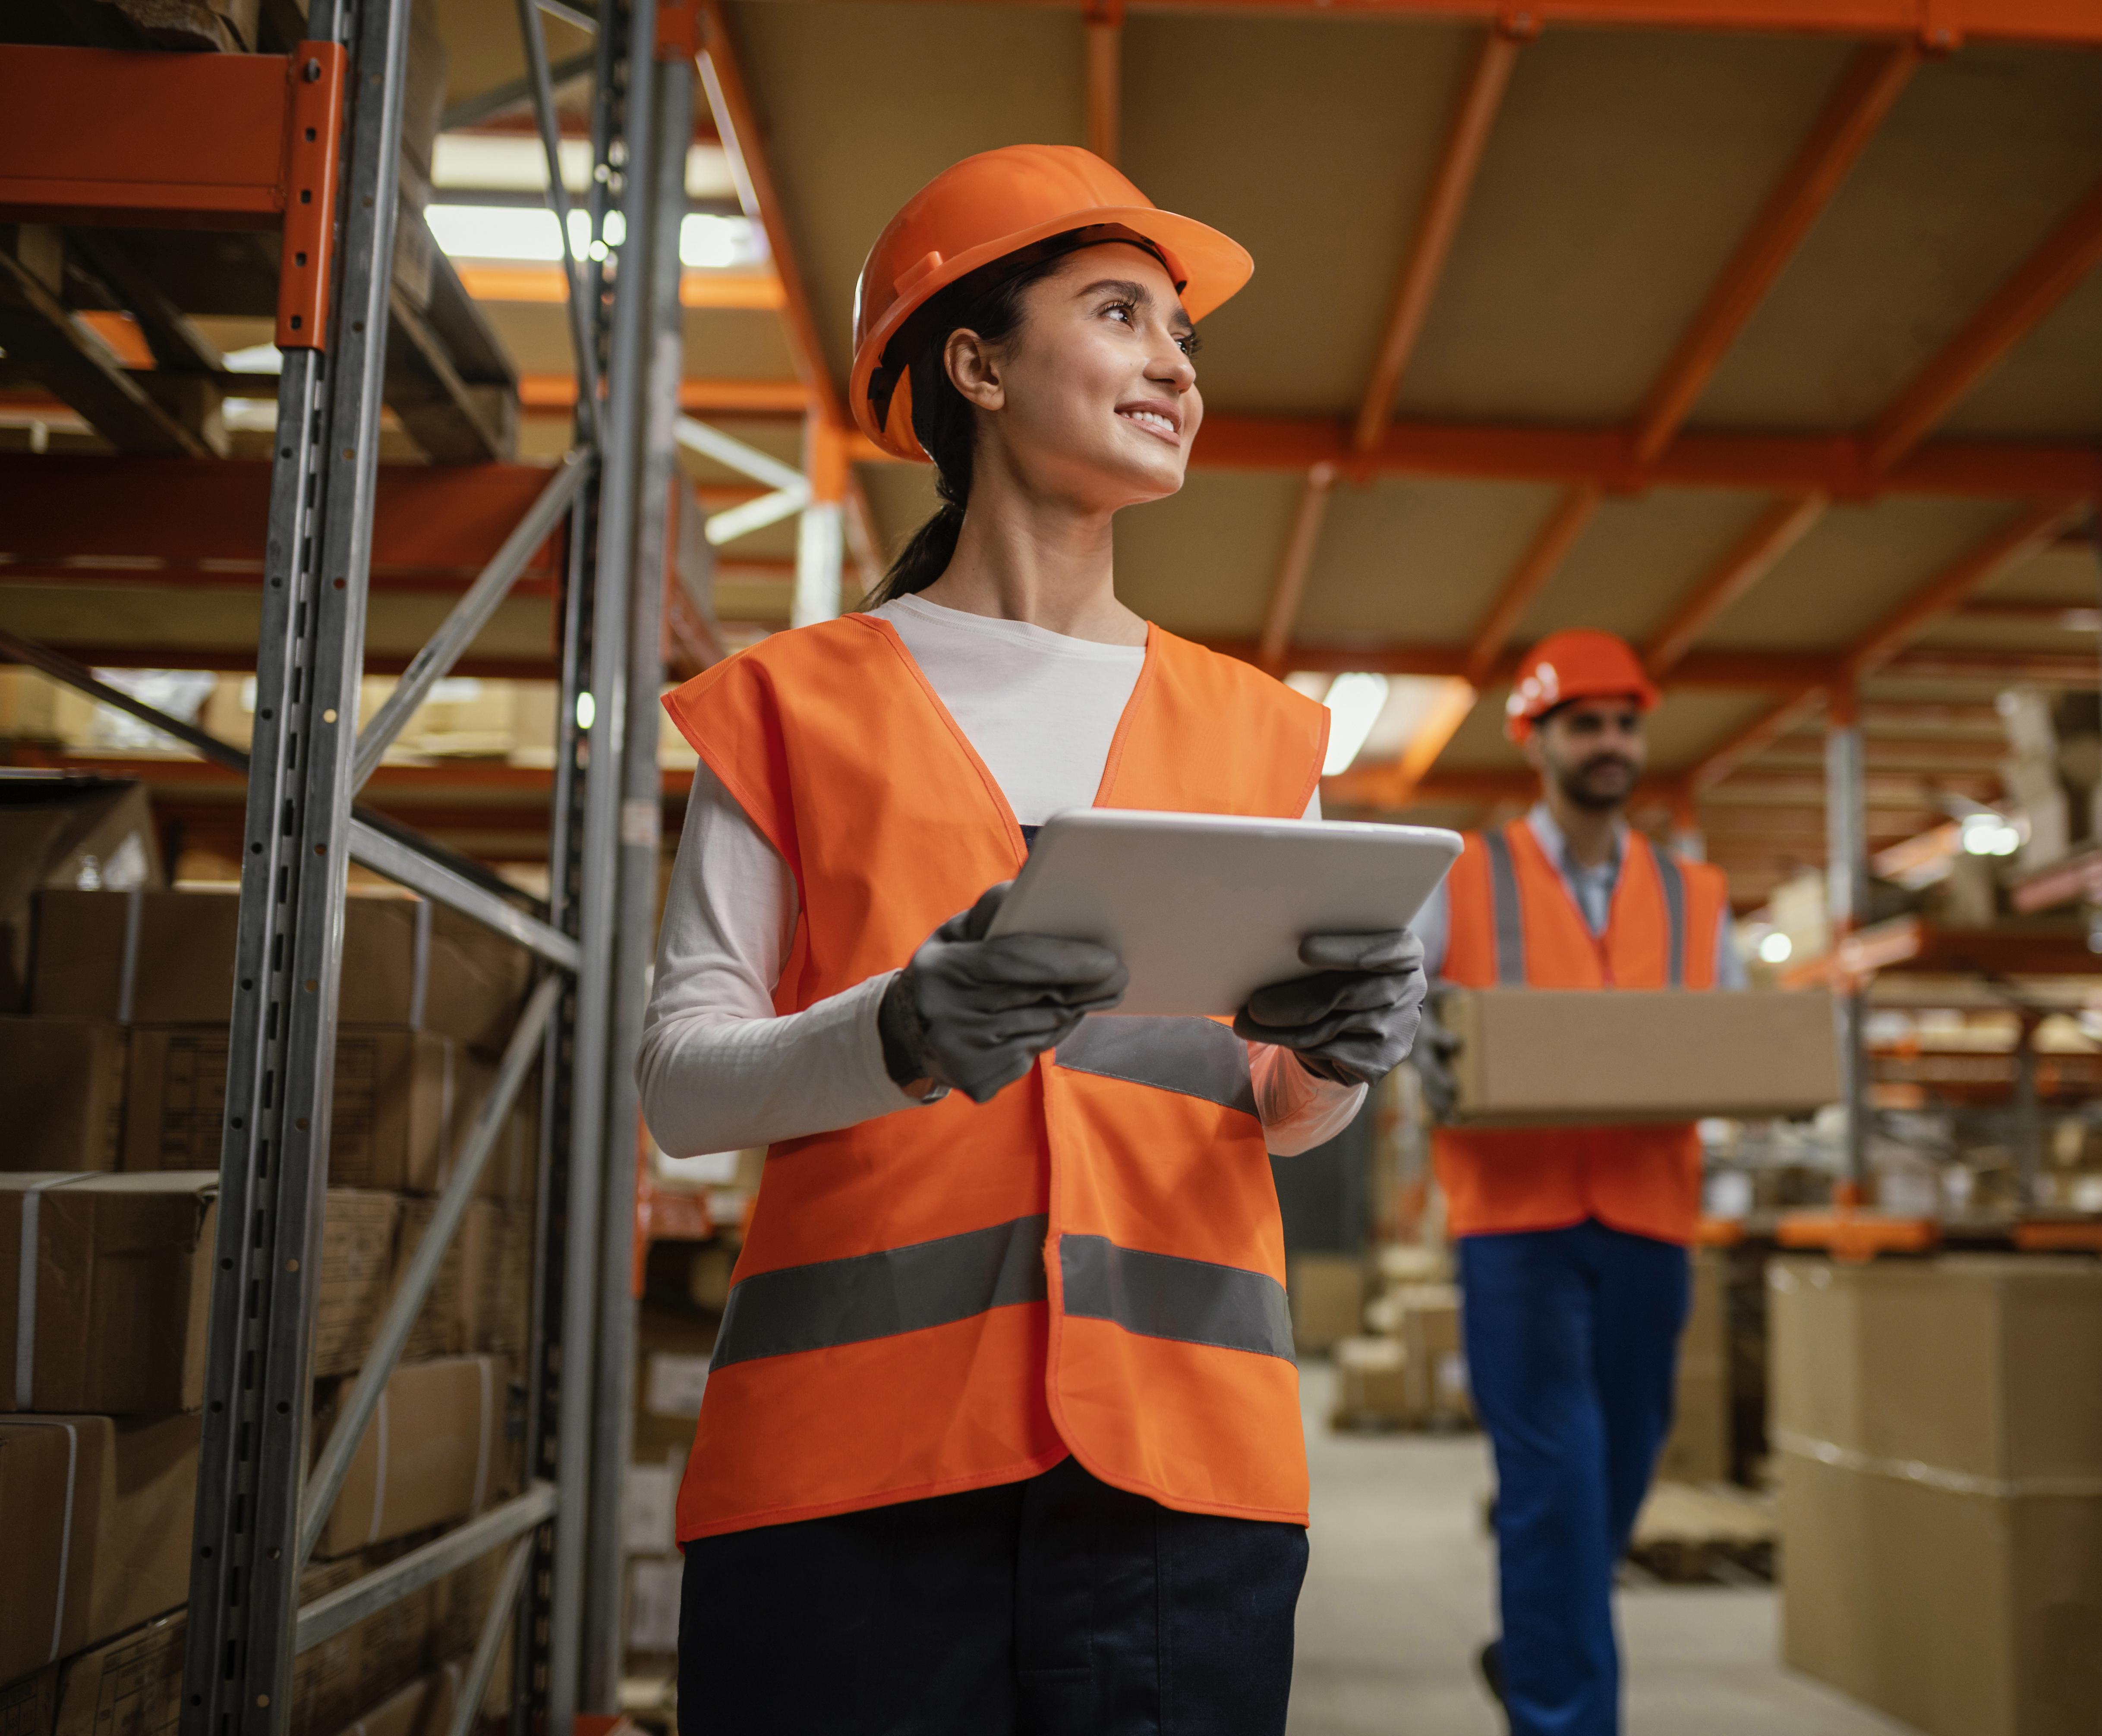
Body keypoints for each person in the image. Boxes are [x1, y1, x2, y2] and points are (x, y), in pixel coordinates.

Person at [637, 144, 1427, 1735]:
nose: (1171, 367)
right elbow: (677, 1083)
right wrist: (898, 1032)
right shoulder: (792, 707)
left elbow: (1270, 1111)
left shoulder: (1267, 735)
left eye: (1183, 339)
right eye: (1121, 313)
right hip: (847, 1482)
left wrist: (1339, 1064)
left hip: (1178, 1475)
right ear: (976, 365)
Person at [1411, 629, 1736, 1736]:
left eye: (1625, 722)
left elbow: (1739, 1042)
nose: (1611, 742)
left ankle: (1534, 1645)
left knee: (1620, 1470)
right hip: (1517, 1225)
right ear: (1535, 738)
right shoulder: (1464, 873)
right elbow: (1412, 1026)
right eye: (1585, 722)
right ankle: (1563, 1714)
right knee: (1555, 1477)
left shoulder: (1697, 893)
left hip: (1652, 1218)